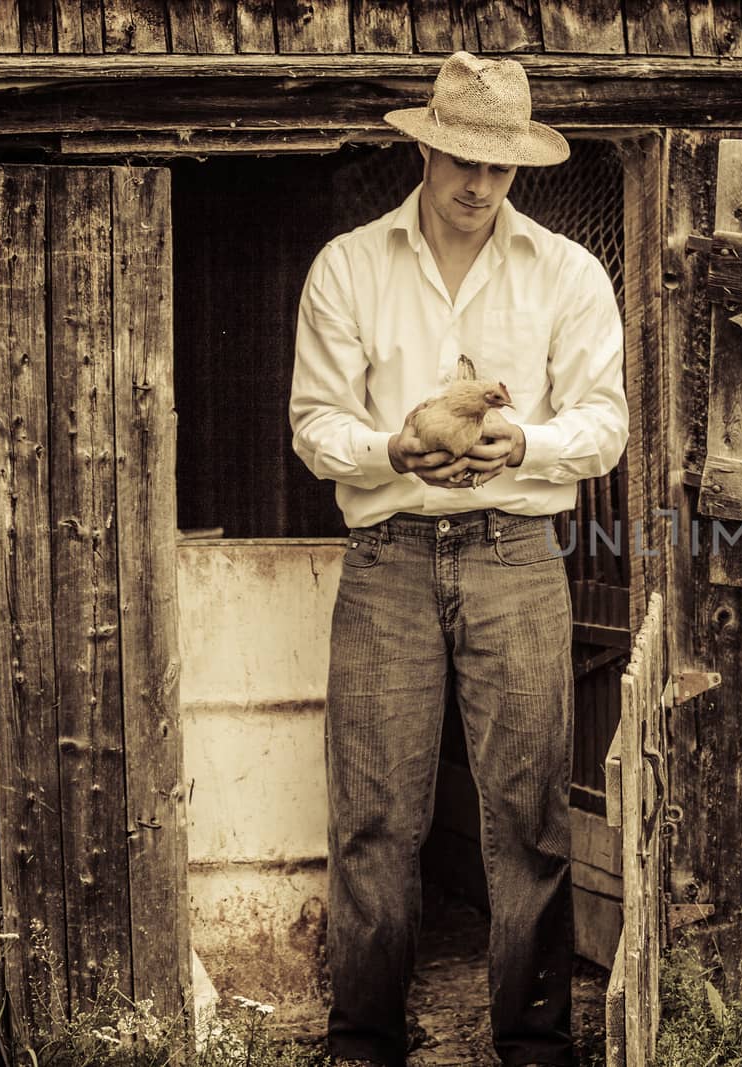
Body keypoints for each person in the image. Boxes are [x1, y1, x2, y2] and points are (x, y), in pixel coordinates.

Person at [289, 51, 628, 1067]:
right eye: (461, 160)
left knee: (528, 812)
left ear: (518, 167)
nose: (478, 185)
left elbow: (603, 421)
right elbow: (314, 422)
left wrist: (520, 444)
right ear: (426, 146)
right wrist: (395, 446)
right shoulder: (348, 266)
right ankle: (364, 1043)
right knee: (375, 817)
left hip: (514, 548)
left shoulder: (566, 272)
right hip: (387, 553)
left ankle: (531, 1043)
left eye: (499, 167)